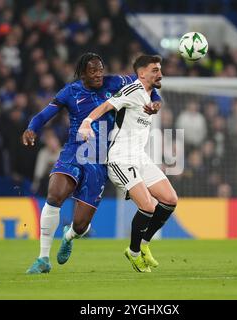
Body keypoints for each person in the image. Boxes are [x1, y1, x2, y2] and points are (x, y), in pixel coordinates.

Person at [23, 53, 162, 274]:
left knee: (80, 225)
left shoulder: (116, 82)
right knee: (55, 195)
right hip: (74, 151)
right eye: (93, 71)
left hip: (101, 160)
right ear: (82, 73)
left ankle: (69, 236)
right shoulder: (70, 91)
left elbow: (148, 85)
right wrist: (32, 128)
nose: (98, 74)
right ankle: (42, 258)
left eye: (100, 69)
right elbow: (44, 115)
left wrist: (156, 102)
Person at [78, 55, 178, 272]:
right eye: (154, 70)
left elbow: (154, 100)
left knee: (170, 200)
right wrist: (86, 122)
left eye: (159, 70)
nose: (159, 74)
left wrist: (156, 104)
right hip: (120, 159)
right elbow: (106, 106)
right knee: (148, 206)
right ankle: (133, 253)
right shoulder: (131, 91)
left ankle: (144, 245)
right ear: (142, 73)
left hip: (139, 157)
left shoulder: (150, 96)